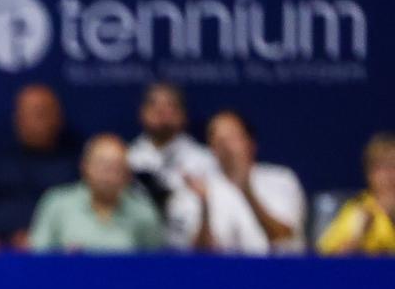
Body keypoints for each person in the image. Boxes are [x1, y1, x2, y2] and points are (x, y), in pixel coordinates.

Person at [0, 84, 79, 252]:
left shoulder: (73, 168)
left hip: (52, 256)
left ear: (57, 118)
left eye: (39, 114)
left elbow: (80, 220)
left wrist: (41, 240)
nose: (30, 121)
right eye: (23, 114)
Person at [174, 111, 304, 254]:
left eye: (232, 137)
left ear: (251, 143)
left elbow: (283, 237)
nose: (225, 146)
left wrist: (247, 191)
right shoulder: (197, 188)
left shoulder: (281, 179)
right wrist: (205, 206)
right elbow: (198, 255)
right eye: (218, 139)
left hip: (278, 272)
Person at [28, 134, 165, 253]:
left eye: (116, 168)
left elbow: (155, 265)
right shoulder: (56, 203)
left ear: (127, 175)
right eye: (102, 165)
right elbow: (37, 256)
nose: (107, 175)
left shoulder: (143, 210)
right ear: (84, 166)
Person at [126, 81, 215, 247]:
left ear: (183, 114)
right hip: (139, 248)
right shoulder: (127, 160)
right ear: (142, 112)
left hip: (191, 248)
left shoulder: (205, 160)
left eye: (170, 105)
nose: (162, 111)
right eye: (154, 105)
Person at [317, 132, 395, 256]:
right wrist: (359, 235)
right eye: (383, 167)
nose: (390, 175)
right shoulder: (357, 209)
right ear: (370, 174)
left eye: (394, 166)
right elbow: (331, 260)